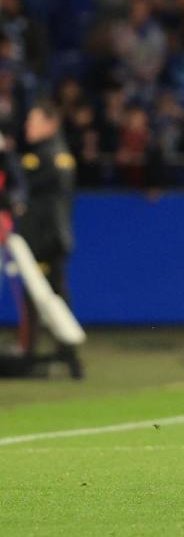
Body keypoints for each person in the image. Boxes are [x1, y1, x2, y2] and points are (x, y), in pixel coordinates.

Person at [15, 100, 82, 379]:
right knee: (48, 295)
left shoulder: (55, 157)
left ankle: (47, 353)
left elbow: (47, 194)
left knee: (46, 295)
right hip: (45, 237)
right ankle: (61, 353)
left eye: (34, 121)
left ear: (50, 123)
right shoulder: (41, 155)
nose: (28, 126)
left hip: (46, 238)